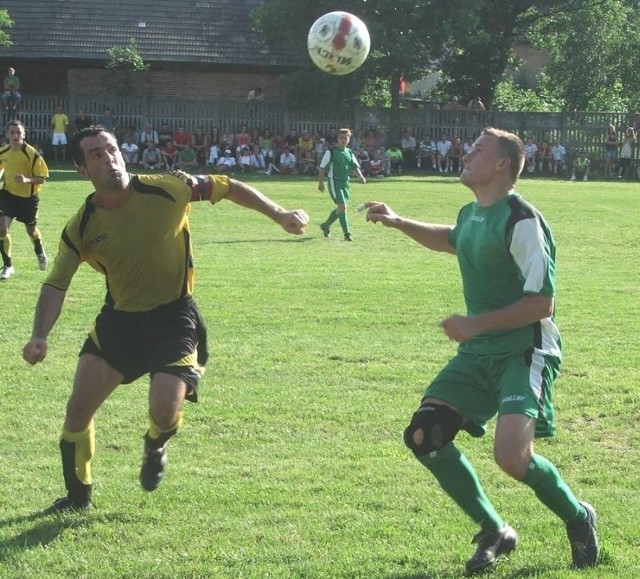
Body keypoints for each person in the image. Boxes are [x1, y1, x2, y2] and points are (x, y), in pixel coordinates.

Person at [21, 126, 309, 513]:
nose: (109, 159)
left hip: (174, 318)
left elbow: (226, 185)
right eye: (96, 155)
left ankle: (156, 443)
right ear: (82, 171)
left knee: (164, 409)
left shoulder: (168, 187)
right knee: (77, 412)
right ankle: (77, 498)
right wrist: (39, 334)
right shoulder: (82, 225)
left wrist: (280, 214)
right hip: (119, 322)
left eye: (112, 150)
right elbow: (56, 284)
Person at [361, 127, 599, 575]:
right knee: (424, 435)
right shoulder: (472, 213)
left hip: (524, 349)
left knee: (511, 458)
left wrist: (474, 324)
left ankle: (578, 517)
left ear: (501, 165)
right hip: (479, 352)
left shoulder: (521, 219)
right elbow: (452, 238)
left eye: (477, 150)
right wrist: (397, 221)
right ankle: (495, 530)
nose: (465, 154)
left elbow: (541, 303)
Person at [0, 120, 49, 280]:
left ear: (24, 134)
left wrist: (27, 180)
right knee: (2, 229)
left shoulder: (32, 154)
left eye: (18, 132)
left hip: (28, 199)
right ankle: (8, 266)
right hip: (7, 195)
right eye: (12, 132)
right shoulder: (3, 152)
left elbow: (42, 178)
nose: (15, 135)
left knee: (31, 230)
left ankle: (39, 250)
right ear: (7, 134)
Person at [318, 128, 366, 242]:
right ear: (337, 139)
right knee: (342, 207)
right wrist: (320, 183)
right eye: (341, 138)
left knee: (341, 208)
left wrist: (361, 177)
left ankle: (326, 225)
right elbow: (321, 168)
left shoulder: (349, 152)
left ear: (349, 139)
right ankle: (347, 234)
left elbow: (354, 166)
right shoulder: (332, 151)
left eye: (346, 138)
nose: (344, 140)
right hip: (334, 182)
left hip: (345, 182)